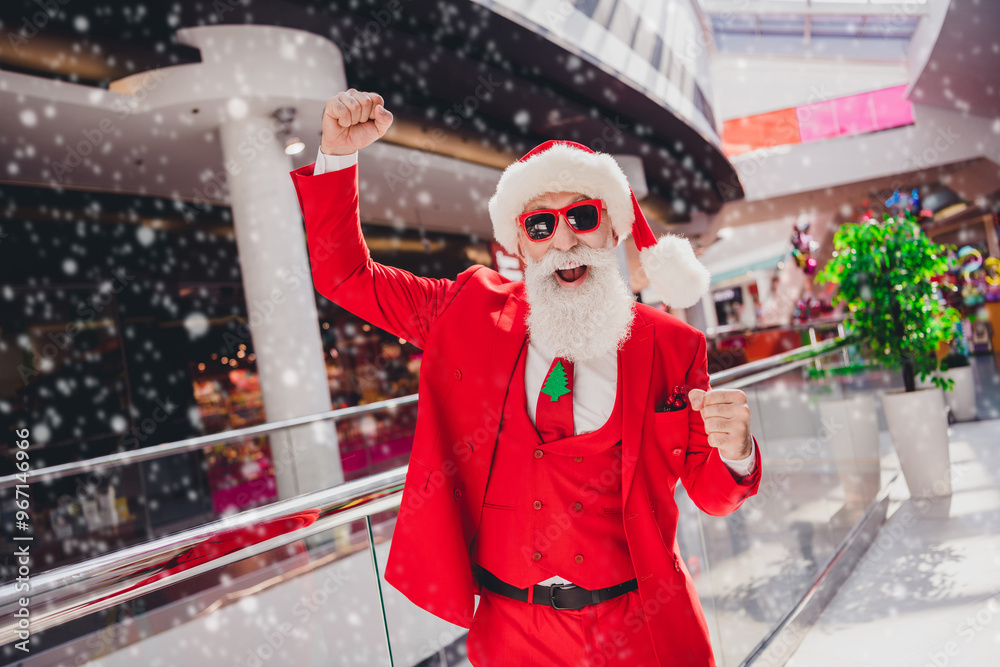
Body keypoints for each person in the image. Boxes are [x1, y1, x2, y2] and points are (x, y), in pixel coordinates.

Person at [290, 89, 763, 667]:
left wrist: (736, 453)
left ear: (611, 230)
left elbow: (713, 497)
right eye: (540, 225)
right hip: (515, 636)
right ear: (519, 244)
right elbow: (346, 276)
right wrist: (337, 156)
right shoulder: (467, 309)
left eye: (581, 218)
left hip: (642, 628)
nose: (564, 240)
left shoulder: (672, 345)